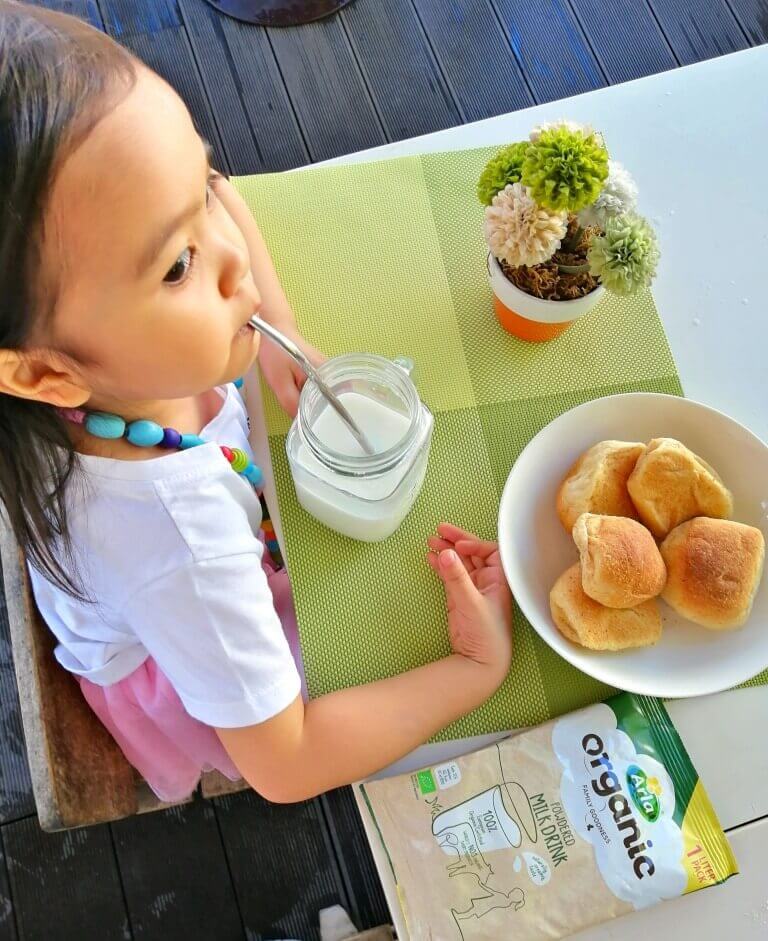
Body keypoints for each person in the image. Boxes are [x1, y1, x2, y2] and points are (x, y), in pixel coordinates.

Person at [0, 2, 512, 803]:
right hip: (182, 652)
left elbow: (223, 195)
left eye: (193, 186)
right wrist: (474, 671)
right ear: (45, 375)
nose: (234, 260)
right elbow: (291, 761)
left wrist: (280, 329)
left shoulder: (113, 361)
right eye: (177, 267)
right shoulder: (184, 542)